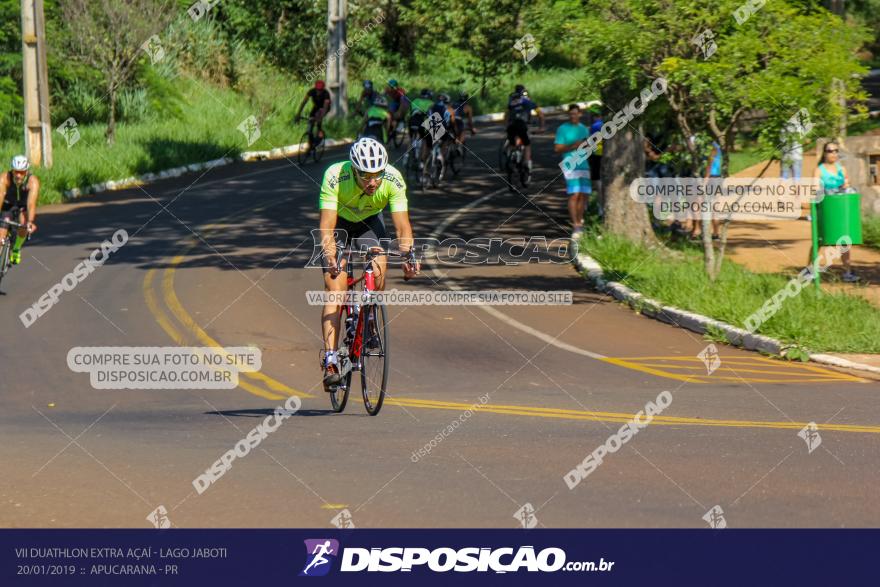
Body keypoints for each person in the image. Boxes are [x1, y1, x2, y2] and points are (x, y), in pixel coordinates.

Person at [318, 138, 420, 385]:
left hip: (369, 224)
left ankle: (370, 318)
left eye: (378, 174)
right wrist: (331, 255)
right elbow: (327, 226)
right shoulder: (335, 176)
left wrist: (408, 254)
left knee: (378, 268)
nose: (373, 182)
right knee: (335, 291)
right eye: (366, 176)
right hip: (339, 225)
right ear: (354, 170)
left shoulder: (393, 179)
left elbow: (402, 225)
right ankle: (331, 361)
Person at [813, 141, 858, 282]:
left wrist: (846, 184)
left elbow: (847, 184)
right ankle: (811, 270)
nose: (833, 153)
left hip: (840, 208)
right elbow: (815, 188)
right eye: (829, 150)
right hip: (826, 208)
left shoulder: (841, 169)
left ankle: (847, 272)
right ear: (824, 153)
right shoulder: (819, 170)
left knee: (844, 242)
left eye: (835, 150)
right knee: (820, 240)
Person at [554, 105, 591, 239]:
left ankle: (580, 221)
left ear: (579, 114)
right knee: (574, 194)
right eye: (570, 114)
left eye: (575, 114)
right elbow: (557, 148)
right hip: (570, 164)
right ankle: (575, 224)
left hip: (584, 164)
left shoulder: (583, 129)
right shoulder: (562, 129)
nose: (573, 116)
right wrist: (572, 146)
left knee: (583, 194)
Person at [0, 155, 38, 265]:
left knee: (24, 223)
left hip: (23, 206)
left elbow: (31, 204)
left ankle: (16, 248)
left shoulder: (32, 182)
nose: (18, 175)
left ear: (26, 171)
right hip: (7, 205)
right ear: (12, 170)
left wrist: (30, 222)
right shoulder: (4, 178)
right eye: (16, 172)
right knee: (1, 235)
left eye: (21, 172)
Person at [504, 84, 545, 177]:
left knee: (513, 142)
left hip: (511, 125)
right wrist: (541, 127)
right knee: (527, 144)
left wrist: (506, 126)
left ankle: (511, 157)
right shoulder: (528, 101)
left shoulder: (512, 101)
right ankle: (526, 163)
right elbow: (541, 114)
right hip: (522, 124)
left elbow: (506, 115)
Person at [587, 107, 604, 215]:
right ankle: (601, 207)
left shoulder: (595, 126)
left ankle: (600, 208)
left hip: (596, 156)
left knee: (597, 184)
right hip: (606, 156)